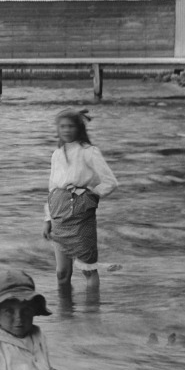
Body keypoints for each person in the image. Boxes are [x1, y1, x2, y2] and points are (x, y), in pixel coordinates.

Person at [43, 110, 118, 290]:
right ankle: (66, 314)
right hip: (59, 214)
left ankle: (92, 314)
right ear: (58, 129)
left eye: (71, 126)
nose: (66, 130)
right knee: (62, 272)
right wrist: (47, 219)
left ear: (79, 128)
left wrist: (89, 196)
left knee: (88, 270)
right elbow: (52, 188)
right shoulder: (57, 154)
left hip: (81, 215)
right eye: (62, 126)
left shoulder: (89, 152)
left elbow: (110, 182)